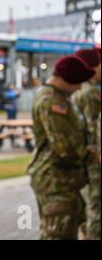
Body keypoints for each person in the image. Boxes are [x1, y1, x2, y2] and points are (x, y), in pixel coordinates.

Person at [27, 55, 95, 239]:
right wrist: (92, 155)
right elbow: (65, 148)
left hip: (62, 179)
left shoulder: (56, 97)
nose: (80, 87)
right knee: (58, 234)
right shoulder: (52, 102)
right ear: (67, 78)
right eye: (78, 82)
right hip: (56, 181)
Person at [71, 48, 101, 240]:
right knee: (96, 207)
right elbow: (93, 131)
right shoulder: (90, 94)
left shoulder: (75, 90)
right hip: (93, 161)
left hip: (79, 160)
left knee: (84, 206)